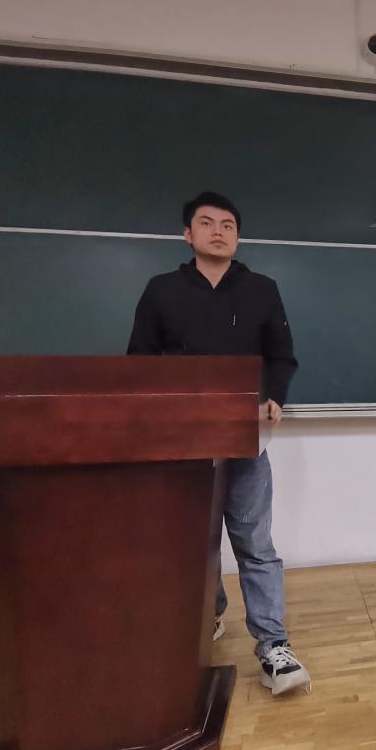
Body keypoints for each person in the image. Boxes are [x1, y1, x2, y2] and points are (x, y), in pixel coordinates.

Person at [127, 191, 309, 696]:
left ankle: (273, 646)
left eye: (228, 225)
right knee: (193, 541)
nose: (218, 231)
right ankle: (210, 612)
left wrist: (274, 396)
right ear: (188, 235)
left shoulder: (261, 289)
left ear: (237, 236)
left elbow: (281, 356)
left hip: (244, 439)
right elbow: (139, 360)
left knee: (255, 544)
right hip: (180, 442)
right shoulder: (161, 290)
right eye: (206, 223)